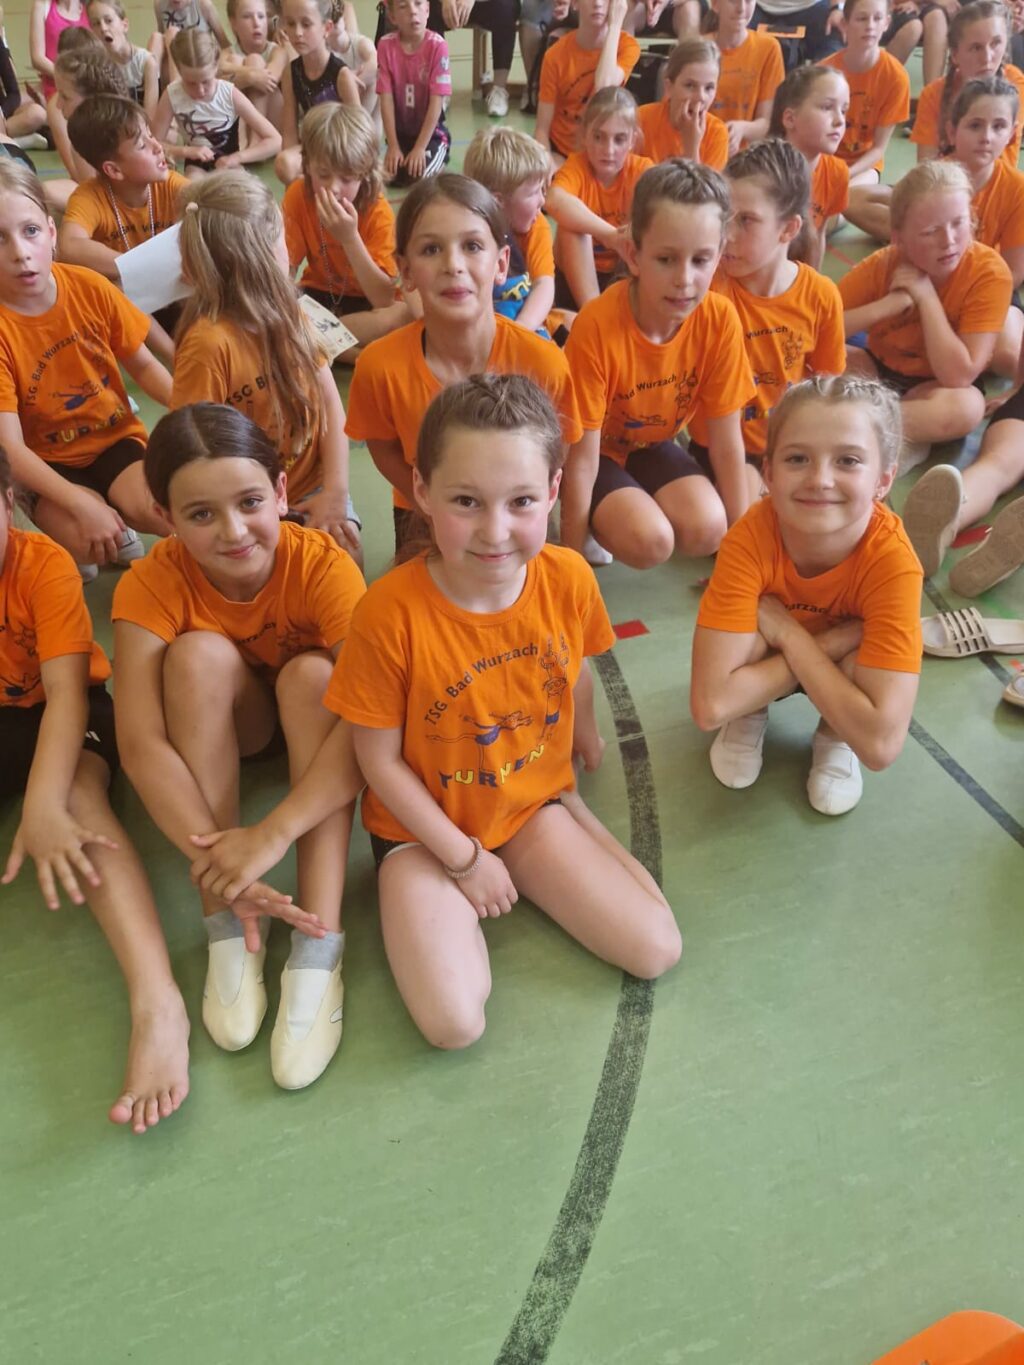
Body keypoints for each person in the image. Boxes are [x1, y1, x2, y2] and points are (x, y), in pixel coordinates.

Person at [194, 374, 681, 1051]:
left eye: (521, 501)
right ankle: (449, 912)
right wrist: (464, 859)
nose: (494, 530)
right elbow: (376, 760)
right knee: (453, 1023)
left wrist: (583, 746)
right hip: (421, 835)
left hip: (528, 808)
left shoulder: (568, 577)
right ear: (422, 491)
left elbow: (573, 669)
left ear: (553, 489)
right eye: (466, 501)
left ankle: (559, 831)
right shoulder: (388, 612)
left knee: (657, 949)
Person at [111, 403, 365, 1090]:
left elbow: (374, 720)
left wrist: (272, 834)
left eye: (250, 502)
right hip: (237, 724)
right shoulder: (150, 583)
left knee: (314, 678)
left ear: (281, 493)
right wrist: (222, 871)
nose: (233, 531)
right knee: (196, 656)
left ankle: (319, 939)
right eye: (201, 514)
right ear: (164, 516)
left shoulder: (323, 566)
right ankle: (227, 916)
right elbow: (140, 744)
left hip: (316, 720)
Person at [0, 446, 190, 1134]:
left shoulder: (41, 565)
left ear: (9, 504)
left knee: (79, 799)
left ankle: (157, 1001)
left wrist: (43, 802)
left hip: (66, 709)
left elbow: (66, 696)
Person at [690, 375, 923, 816]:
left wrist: (790, 635)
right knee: (751, 638)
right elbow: (711, 705)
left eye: (848, 460)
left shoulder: (893, 563)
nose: (820, 479)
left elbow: (880, 745)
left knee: (859, 663)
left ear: (884, 479)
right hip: (771, 658)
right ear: (769, 473)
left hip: (829, 671)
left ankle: (835, 734)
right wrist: (829, 640)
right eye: (798, 458)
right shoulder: (748, 540)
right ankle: (750, 713)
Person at [345, 174, 583, 551]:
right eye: (431, 249)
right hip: (423, 512)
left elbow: (560, 450)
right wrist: (432, 508)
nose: (453, 264)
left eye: (472, 246)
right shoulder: (379, 368)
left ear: (501, 264)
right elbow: (383, 447)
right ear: (406, 271)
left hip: (517, 513)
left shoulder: (543, 363)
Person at [561, 159, 754, 569]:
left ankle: (632, 499)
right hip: (594, 452)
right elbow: (581, 461)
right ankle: (596, 519)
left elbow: (727, 445)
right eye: (666, 259)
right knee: (650, 541)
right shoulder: (597, 326)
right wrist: (570, 565)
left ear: (720, 255)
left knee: (709, 529)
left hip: (651, 443)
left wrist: (744, 561)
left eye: (701, 260)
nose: (684, 279)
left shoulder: (719, 320)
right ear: (634, 254)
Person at [173, 172, 362, 562]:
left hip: (309, 488)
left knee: (344, 558)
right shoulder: (208, 345)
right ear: (263, 259)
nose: (289, 246)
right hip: (243, 500)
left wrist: (336, 491)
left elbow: (331, 405)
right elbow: (193, 452)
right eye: (282, 236)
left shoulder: (296, 313)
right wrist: (253, 514)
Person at [0, 159, 171, 574]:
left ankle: (113, 513)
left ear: (52, 232)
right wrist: (79, 503)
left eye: (30, 231)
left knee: (161, 510)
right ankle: (83, 517)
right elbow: (11, 448)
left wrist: (192, 407)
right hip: (45, 461)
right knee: (89, 546)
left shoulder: (89, 287)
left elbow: (146, 368)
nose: (20, 253)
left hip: (114, 438)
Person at [839, 159, 1012, 471]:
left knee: (966, 409)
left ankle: (851, 428)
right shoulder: (884, 264)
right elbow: (821, 329)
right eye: (931, 231)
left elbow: (958, 375)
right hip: (877, 370)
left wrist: (926, 297)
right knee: (818, 359)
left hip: (939, 387)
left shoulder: (989, 273)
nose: (949, 241)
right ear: (898, 238)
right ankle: (899, 436)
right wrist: (886, 306)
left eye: (959, 223)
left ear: (972, 218)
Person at [688, 139, 845, 467]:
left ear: (788, 229)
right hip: (717, 453)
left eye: (746, 220)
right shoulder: (709, 287)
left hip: (788, 453)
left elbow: (828, 392)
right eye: (725, 217)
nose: (728, 234)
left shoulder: (821, 295)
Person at [283, 102, 409, 352]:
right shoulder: (298, 196)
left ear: (365, 174)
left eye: (347, 178)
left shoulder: (377, 211)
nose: (334, 188)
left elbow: (383, 298)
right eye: (323, 175)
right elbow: (286, 270)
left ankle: (316, 347)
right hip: (317, 298)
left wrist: (349, 238)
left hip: (365, 305)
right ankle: (342, 350)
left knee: (403, 315)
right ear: (307, 166)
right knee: (269, 309)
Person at [60, 94, 189, 285]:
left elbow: (212, 202)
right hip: (123, 293)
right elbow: (69, 246)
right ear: (114, 170)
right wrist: (143, 268)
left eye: (150, 135)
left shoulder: (170, 184)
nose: (157, 147)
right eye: (142, 145)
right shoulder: (91, 197)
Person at [546, 86, 653, 310]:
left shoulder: (641, 171)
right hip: (572, 280)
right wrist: (610, 236)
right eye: (598, 137)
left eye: (619, 139)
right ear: (585, 134)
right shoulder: (577, 166)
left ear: (632, 140)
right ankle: (593, 313)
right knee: (572, 227)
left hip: (622, 274)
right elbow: (553, 200)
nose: (608, 150)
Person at [949, 75, 1024, 375]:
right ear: (952, 130)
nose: (987, 137)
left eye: (999, 126)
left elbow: (1013, 272)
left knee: (1008, 359)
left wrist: (975, 307)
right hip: (936, 287)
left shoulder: (1017, 189)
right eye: (975, 126)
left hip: (992, 286)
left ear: (1013, 133)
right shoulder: (932, 179)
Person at [463, 124, 557, 337]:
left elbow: (544, 285)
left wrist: (517, 333)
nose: (542, 200)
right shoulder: (462, 227)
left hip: (520, 321)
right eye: (534, 193)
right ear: (497, 201)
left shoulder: (536, 224)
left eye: (542, 190)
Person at [152, 29, 281, 176]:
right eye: (191, 83)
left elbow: (275, 140)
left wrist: (237, 158)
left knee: (240, 186)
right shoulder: (172, 95)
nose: (200, 90)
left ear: (215, 68)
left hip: (229, 163)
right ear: (179, 71)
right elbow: (154, 144)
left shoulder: (229, 94)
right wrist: (186, 151)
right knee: (192, 185)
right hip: (196, 165)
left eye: (206, 81)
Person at [910, 0, 1024, 164]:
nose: (987, 58)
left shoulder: (1015, 84)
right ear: (955, 55)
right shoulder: (933, 94)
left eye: (996, 43)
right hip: (946, 179)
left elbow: (1002, 165)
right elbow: (927, 167)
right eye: (976, 48)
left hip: (996, 179)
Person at [535, 0, 641, 165]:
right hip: (561, 153)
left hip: (604, 154)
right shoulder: (555, 55)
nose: (598, 3)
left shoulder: (627, 46)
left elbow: (604, 87)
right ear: (575, 3)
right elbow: (542, 129)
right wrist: (547, 164)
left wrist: (615, 26)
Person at [274, 0, 366, 184]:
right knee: (285, 163)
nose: (298, 32)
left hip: (340, 148)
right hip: (312, 148)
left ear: (327, 28)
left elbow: (359, 132)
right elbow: (290, 133)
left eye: (306, 24)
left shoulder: (341, 75)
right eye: (291, 24)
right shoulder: (291, 73)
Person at [769, 63, 850, 267]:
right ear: (790, 118)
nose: (840, 121)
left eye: (844, 110)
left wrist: (813, 282)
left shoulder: (837, 172)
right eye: (826, 107)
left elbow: (818, 236)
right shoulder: (763, 172)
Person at [376, 0, 452, 186]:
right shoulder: (385, 46)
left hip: (431, 136)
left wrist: (419, 148)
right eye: (403, 6)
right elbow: (386, 99)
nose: (412, 11)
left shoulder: (438, 46)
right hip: (401, 137)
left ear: (427, 10)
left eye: (418, 3)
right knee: (383, 178)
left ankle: (438, 158)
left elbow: (436, 103)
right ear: (392, 17)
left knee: (421, 181)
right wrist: (393, 145)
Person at [636, 38, 730, 168]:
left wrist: (691, 147)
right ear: (669, 87)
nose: (701, 97)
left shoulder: (716, 133)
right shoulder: (642, 119)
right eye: (690, 85)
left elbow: (700, 182)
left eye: (709, 88)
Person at [708, 0, 784, 154]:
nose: (741, 8)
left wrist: (742, 128)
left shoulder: (769, 48)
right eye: (733, 1)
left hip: (747, 156)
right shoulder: (698, 47)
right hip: (706, 148)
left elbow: (769, 123)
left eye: (748, 1)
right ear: (715, 4)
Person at [50, 42, 129, 186]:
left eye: (65, 97)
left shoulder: (85, 143)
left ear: (94, 101)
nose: (58, 105)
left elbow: (96, 196)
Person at [218, 0, 288, 131]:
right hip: (237, 127)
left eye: (261, 16)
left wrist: (241, 75)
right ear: (233, 23)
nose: (256, 23)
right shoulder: (227, 54)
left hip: (272, 125)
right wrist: (250, 77)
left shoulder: (278, 51)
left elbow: (270, 79)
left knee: (255, 60)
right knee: (235, 60)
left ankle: (257, 137)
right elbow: (217, 82)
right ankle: (242, 137)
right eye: (247, 16)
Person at [87, 0, 158, 120]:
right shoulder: (99, 66)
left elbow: (149, 117)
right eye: (96, 23)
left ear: (124, 25)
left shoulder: (147, 62)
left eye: (108, 21)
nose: (103, 28)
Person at [150, 0, 230, 86]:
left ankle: (175, 87)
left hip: (199, 60)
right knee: (156, 36)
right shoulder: (159, 4)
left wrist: (219, 64)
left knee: (173, 33)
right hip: (174, 61)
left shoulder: (204, 5)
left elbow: (225, 45)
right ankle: (149, 84)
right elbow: (162, 39)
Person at [30, 0, 91, 104]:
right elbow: (37, 59)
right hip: (56, 88)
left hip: (88, 86)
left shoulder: (90, 9)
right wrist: (70, 80)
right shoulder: (42, 7)